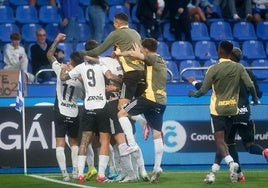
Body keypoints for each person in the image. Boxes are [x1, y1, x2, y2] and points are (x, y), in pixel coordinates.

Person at [188, 47, 268, 182]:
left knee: (228, 144)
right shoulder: (246, 71)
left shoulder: (221, 70)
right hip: (245, 114)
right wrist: (254, 98)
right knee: (249, 145)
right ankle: (264, 152)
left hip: (229, 112)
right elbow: (256, 91)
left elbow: (206, 87)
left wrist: (194, 83)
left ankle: (239, 174)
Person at [59, 41, 135, 183]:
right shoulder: (101, 65)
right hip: (102, 107)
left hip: (88, 108)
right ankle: (101, 175)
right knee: (104, 140)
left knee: (84, 142)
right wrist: (123, 79)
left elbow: (63, 78)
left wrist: (63, 68)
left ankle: (80, 174)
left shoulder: (80, 67)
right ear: (97, 51)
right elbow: (112, 77)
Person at [79, 13, 146, 151]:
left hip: (131, 74)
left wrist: (81, 53)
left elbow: (99, 50)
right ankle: (141, 120)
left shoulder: (116, 34)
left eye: (114, 23)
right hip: (142, 73)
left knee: (122, 109)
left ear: (116, 22)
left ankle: (133, 140)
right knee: (129, 105)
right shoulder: (136, 33)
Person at [115, 37, 167, 183]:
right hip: (162, 102)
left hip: (149, 98)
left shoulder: (151, 58)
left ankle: (131, 145)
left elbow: (136, 55)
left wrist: (121, 53)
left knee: (122, 112)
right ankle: (157, 167)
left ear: (145, 49)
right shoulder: (162, 59)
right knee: (157, 133)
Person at [46, 33, 84, 182]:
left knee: (60, 143)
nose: (67, 62)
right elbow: (83, 95)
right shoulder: (81, 80)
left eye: (69, 62)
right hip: (74, 113)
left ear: (72, 65)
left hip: (60, 111)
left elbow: (49, 55)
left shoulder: (60, 70)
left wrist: (56, 40)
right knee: (74, 142)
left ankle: (64, 174)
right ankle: (75, 171)